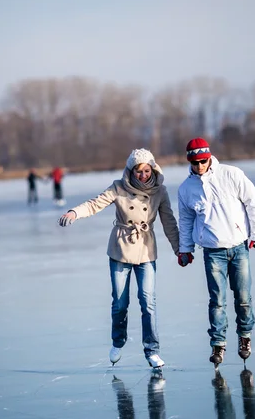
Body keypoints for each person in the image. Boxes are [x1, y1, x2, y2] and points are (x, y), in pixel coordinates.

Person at [58, 148, 179, 369]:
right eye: (138, 171)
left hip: (145, 249)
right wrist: (75, 212)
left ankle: (152, 350)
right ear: (131, 171)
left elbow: (168, 221)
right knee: (120, 303)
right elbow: (95, 204)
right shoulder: (119, 187)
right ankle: (118, 341)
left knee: (148, 302)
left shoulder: (160, 191)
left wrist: (180, 248)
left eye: (146, 170)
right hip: (121, 248)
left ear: (152, 168)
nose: (143, 175)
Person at [177, 138, 255, 367]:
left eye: (203, 161)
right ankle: (218, 343)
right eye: (195, 163)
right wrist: (185, 249)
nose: (199, 166)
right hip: (212, 252)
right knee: (217, 300)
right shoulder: (186, 189)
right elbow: (186, 221)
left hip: (238, 247)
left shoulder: (231, 174)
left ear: (210, 157)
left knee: (243, 297)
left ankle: (244, 337)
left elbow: (253, 201)